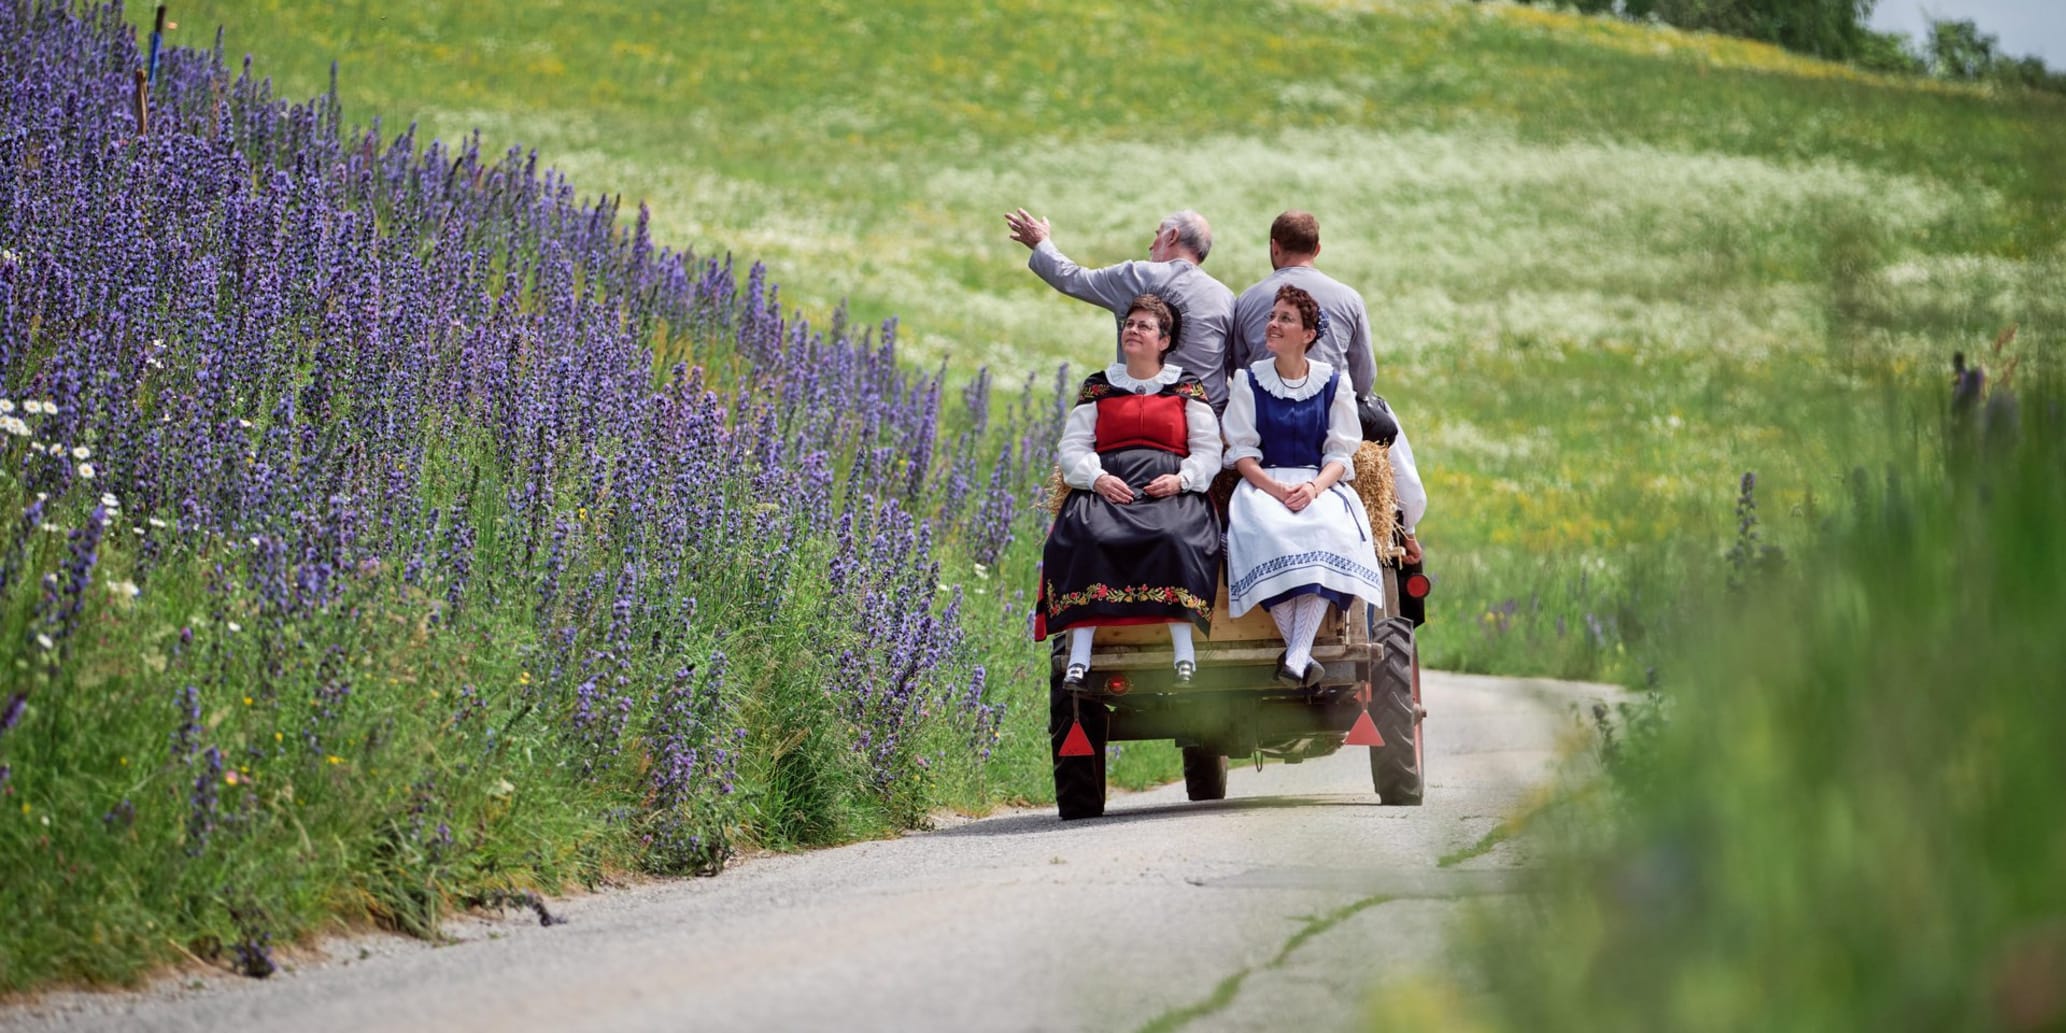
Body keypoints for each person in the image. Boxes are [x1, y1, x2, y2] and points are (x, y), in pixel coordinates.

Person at [1036, 294, 1223, 687]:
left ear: (1164, 341)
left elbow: (1208, 449)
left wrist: (1182, 480)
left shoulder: (1186, 387)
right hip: (1109, 486)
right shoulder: (1099, 387)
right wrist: (1097, 478)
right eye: (1129, 323)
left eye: (1144, 325)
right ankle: (1080, 655)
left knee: (1175, 536)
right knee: (1085, 535)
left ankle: (1183, 652)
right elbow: (1072, 447)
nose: (1133, 330)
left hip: (1169, 490)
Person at [1224, 284, 1388, 687]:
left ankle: (1296, 655)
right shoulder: (1249, 381)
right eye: (1272, 316)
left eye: (1285, 318)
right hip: (1264, 484)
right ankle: (1299, 655)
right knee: (1263, 529)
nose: (1273, 324)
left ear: (1308, 335)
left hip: (1319, 483)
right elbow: (1242, 453)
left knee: (1328, 529)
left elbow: (1340, 455)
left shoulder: (1334, 384)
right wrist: (1276, 490)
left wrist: (1314, 489)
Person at [1004, 207, 1236, 413]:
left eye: (1157, 234)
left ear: (1172, 235)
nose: (1151, 244)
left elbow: (1072, 279)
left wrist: (1041, 243)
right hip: (1206, 424)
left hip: (1139, 415)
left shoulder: (1137, 276)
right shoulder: (1226, 298)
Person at [1228, 211, 1377, 397]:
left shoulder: (1248, 300)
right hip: (1330, 412)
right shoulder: (1350, 299)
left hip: (1264, 414)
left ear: (1275, 247)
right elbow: (1363, 379)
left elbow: (1238, 367)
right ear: (1317, 250)